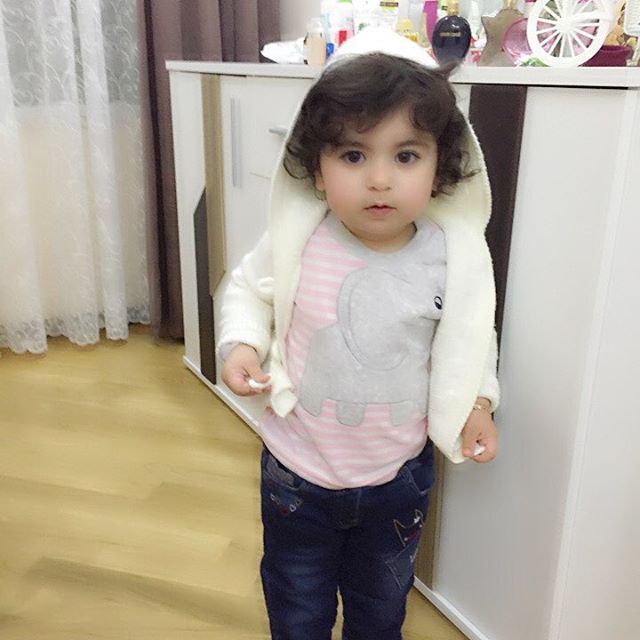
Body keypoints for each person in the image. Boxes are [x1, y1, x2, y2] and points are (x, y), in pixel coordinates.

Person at [217, 28, 500, 640]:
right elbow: (247, 290)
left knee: (381, 608)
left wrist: (478, 401)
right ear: (316, 169)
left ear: (441, 166)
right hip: (296, 476)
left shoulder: (450, 258)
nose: (379, 179)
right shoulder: (299, 239)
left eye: (405, 156)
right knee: (296, 603)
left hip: (397, 480)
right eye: (353, 155)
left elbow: (473, 337)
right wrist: (242, 343)